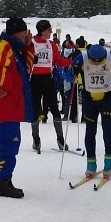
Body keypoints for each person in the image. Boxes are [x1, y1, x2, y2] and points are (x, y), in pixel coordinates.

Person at [0, 16, 34, 198]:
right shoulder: (4, 46)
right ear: (17, 32)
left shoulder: (16, 48)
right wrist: (5, 87)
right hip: (5, 105)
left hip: (12, 105)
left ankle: (3, 180)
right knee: (8, 143)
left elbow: (28, 68)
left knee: (7, 144)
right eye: (24, 32)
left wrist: (28, 46)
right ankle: (2, 182)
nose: (27, 34)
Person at [71, 43, 111, 179]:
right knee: (90, 130)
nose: (96, 63)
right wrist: (73, 71)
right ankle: (91, 165)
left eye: (100, 61)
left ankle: (109, 164)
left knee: (107, 128)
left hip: (107, 98)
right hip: (89, 99)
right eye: (93, 61)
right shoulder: (81, 57)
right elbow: (67, 76)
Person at [29, 19, 72, 153]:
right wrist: (31, 60)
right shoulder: (31, 43)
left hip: (48, 78)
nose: (51, 32)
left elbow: (58, 61)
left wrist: (72, 60)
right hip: (34, 79)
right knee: (35, 109)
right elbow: (25, 60)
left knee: (54, 108)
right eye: (49, 30)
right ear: (42, 30)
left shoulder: (51, 44)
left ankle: (60, 139)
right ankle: (36, 139)